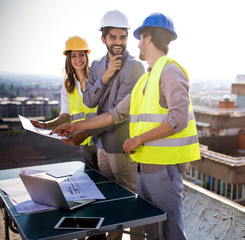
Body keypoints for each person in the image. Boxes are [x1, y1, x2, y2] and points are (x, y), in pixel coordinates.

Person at [52, 13, 201, 240]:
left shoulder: (170, 70)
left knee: (170, 232)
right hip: (144, 165)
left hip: (164, 167)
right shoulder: (146, 79)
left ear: (149, 38)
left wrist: (139, 139)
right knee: (153, 231)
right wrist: (76, 125)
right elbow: (114, 115)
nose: (136, 43)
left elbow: (178, 119)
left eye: (139, 38)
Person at [82, 10, 145, 240]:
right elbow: (88, 100)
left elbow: (118, 113)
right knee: (109, 202)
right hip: (101, 146)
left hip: (123, 147)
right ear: (103, 39)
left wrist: (82, 127)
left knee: (131, 203)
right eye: (113, 37)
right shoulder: (98, 66)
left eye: (123, 37)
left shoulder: (134, 67)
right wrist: (106, 76)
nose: (118, 42)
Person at [31, 36, 98, 170]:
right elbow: (64, 116)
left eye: (81, 55)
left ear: (86, 56)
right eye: (74, 56)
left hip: (102, 138)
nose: (78, 59)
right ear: (69, 59)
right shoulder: (68, 85)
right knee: (94, 178)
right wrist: (44, 125)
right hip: (84, 142)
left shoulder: (96, 78)